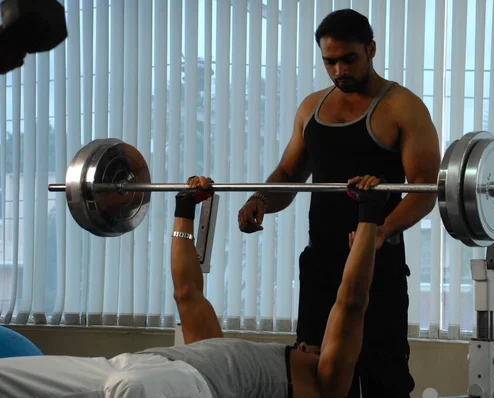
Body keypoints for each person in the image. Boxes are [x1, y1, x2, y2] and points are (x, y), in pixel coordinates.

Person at [0, 174, 392, 398]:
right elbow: (187, 290)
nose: (312, 343)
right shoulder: (219, 350)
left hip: (181, 388)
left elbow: (351, 301)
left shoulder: (328, 386)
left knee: (131, 388)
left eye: (318, 345)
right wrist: (185, 207)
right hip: (136, 364)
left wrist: (369, 215)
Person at [237, 8, 440, 397]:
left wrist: (385, 229)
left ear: (371, 49)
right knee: (315, 379)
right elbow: (287, 174)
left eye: (349, 59)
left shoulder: (402, 107)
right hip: (322, 265)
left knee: (384, 379)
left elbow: (424, 189)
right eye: (329, 61)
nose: (339, 70)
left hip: (377, 265)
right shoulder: (312, 107)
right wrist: (260, 199)